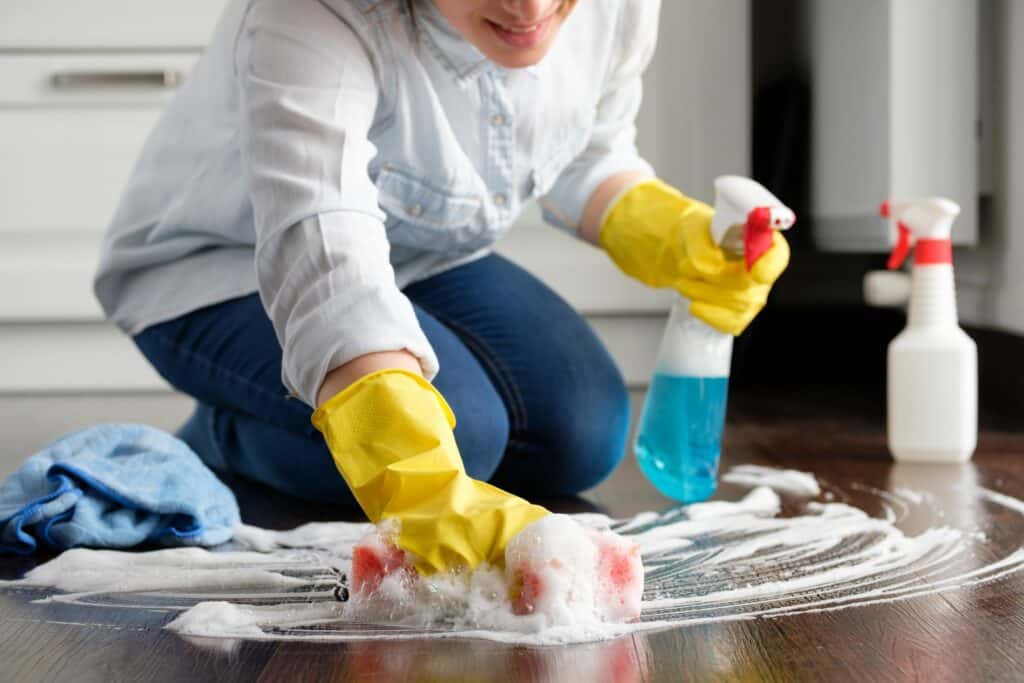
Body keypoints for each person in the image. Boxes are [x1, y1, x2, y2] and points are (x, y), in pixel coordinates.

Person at [94, 0, 788, 573]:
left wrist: (674, 233)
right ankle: (225, 434)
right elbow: (326, 251)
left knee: (583, 432)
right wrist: (425, 488)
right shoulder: (313, 14)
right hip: (219, 264)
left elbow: (585, 150)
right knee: (466, 434)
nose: (531, 8)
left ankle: (320, 416)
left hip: (416, 254)